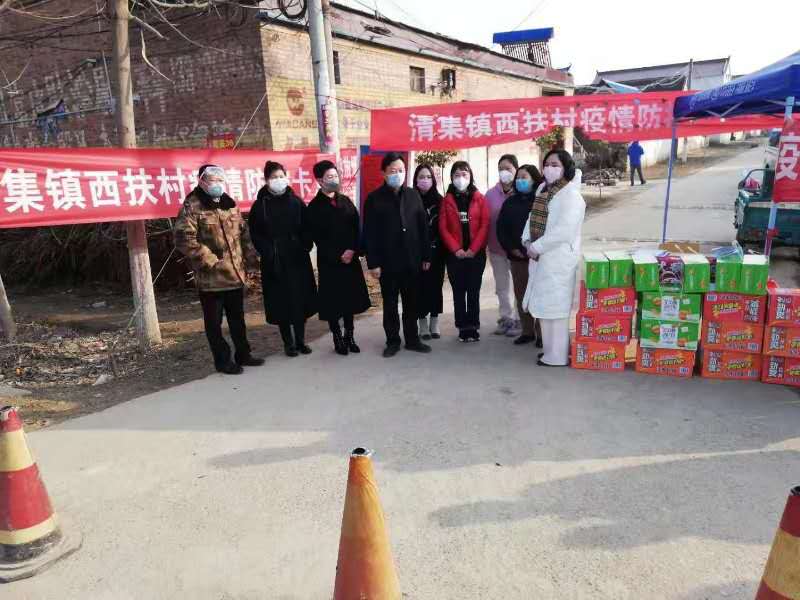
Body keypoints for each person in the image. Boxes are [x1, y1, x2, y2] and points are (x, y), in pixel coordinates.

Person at [174, 165, 264, 375]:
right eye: (212, 180)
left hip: (234, 274)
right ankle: (223, 361)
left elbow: (243, 234)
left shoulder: (228, 204)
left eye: (220, 180)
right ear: (202, 182)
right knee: (214, 324)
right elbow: (183, 238)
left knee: (237, 319)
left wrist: (252, 261)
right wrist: (209, 260)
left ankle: (244, 354)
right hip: (211, 279)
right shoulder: (192, 206)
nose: (217, 184)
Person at [363, 152, 432, 357]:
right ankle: (392, 341)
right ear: (383, 173)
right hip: (388, 263)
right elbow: (370, 234)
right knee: (391, 304)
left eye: (401, 170)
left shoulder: (413, 195)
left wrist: (426, 256)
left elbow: (423, 228)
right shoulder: (374, 199)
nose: (397, 174)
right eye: (393, 171)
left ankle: (412, 339)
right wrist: (373, 263)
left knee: (412, 302)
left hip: (412, 260)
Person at [522, 149, 586, 367]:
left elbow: (564, 231)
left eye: (555, 164)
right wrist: (527, 241)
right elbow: (531, 218)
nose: (549, 168)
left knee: (557, 310)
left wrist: (537, 246)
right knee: (544, 307)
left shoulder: (572, 195)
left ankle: (557, 355)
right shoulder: (543, 190)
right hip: (540, 257)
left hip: (558, 260)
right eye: (546, 164)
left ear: (566, 168)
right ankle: (549, 351)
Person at [249, 161, 318, 357]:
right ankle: (288, 343)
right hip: (274, 259)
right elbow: (255, 233)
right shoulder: (260, 205)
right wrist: (268, 251)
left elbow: (307, 226)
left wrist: (305, 244)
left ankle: (301, 341)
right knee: (281, 301)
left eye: (281, 176)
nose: (278, 180)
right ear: (266, 180)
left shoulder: (295, 201)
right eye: (274, 177)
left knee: (300, 298)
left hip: (297, 257)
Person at [306, 160, 371, 356]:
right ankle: (337, 337)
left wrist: (353, 250)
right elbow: (317, 237)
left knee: (350, 300)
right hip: (330, 262)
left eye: (336, 175)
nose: (334, 179)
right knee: (333, 302)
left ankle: (349, 335)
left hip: (350, 260)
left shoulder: (346, 201)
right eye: (329, 177)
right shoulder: (314, 207)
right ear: (320, 181)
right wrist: (337, 255)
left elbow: (356, 227)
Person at [439, 160, 490, 342]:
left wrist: (474, 249)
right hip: (455, 256)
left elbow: (485, 225)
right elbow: (443, 228)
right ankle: (462, 327)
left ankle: (473, 327)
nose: (461, 178)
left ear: (470, 176)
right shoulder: (447, 200)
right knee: (459, 292)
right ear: (452, 178)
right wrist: (456, 249)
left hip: (476, 255)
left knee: (473, 292)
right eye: (457, 175)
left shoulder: (480, 198)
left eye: (464, 174)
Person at [496, 164, 544, 347]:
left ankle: (541, 333)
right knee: (522, 294)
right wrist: (511, 248)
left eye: (524, 177)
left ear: (534, 180)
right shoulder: (510, 202)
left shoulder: (541, 201)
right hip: (517, 258)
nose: (519, 181)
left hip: (538, 258)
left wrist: (535, 249)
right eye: (518, 177)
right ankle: (527, 331)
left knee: (539, 295)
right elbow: (501, 228)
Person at [485, 154, 521, 337]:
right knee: (501, 287)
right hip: (496, 249)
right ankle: (505, 318)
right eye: (501, 169)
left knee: (519, 285)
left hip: (517, 250)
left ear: (516, 170)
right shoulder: (490, 194)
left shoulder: (521, 192)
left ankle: (520, 320)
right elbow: (485, 220)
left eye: (508, 168)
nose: (504, 172)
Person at [414, 163, 445, 340]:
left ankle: (434, 320)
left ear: (433, 179)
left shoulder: (440, 201)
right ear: (415, 180)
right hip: (417, 253)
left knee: (435, 286)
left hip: (437, 252)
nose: (425, 180)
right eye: (421, 177)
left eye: (428, 177)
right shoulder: (410, 199)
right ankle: (422, 322)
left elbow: (444, 227)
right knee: (419, 287)